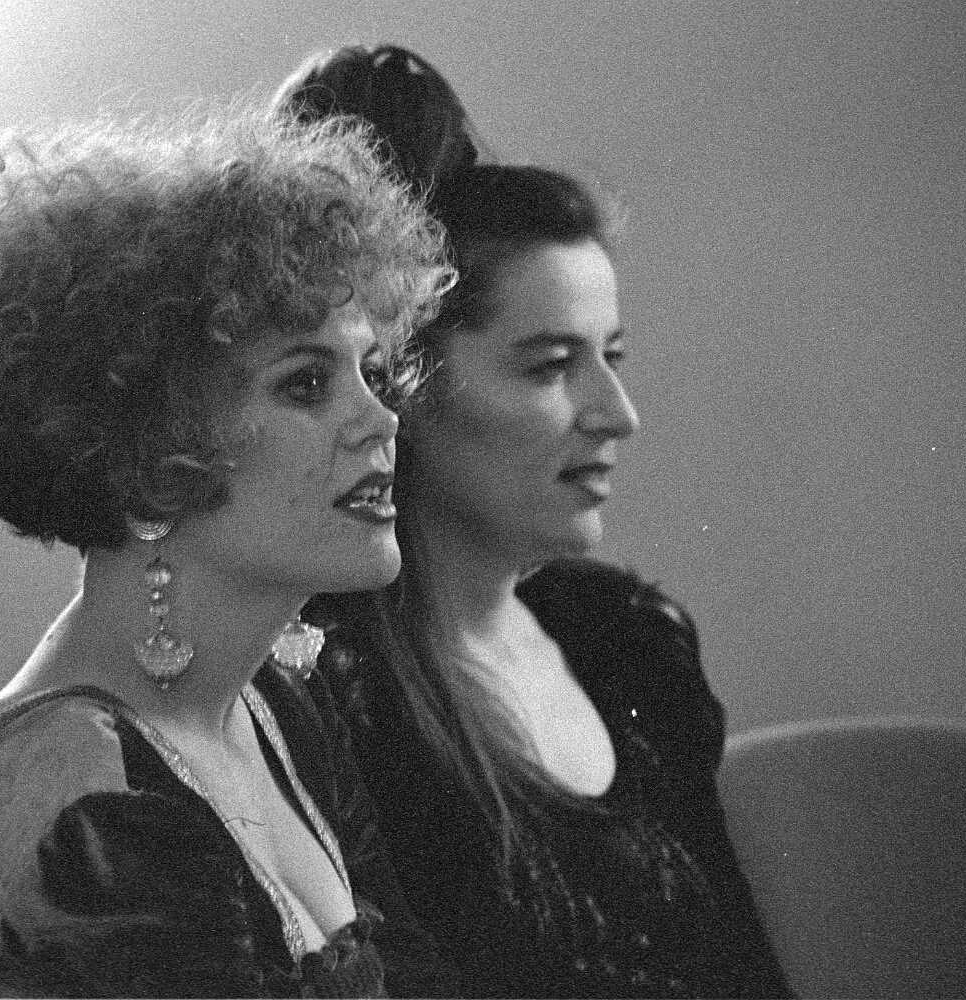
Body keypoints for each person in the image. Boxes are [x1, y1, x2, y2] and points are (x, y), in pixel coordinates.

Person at [0, 107, 457, 997]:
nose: (381, 420)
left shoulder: (277, 709)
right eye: (305, 383)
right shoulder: (86, 815)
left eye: (371, 371)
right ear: (147, 459)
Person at [278, 47, 795, 998]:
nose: (617, 415)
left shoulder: (628, 641)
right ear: (402, 387)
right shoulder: (332, 698)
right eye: (551, 366)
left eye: (610, 358)